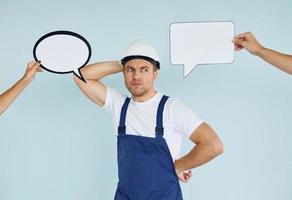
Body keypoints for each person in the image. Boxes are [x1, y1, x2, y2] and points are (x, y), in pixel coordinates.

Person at [73, 40, 223, 199]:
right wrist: (122, 62)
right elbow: (81, 76)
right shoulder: (118, 105)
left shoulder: (172, 108)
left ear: (154, 74)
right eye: (130, 70)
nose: (136, 76)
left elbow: (213, 145)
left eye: (144, 69)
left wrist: (178, 166)